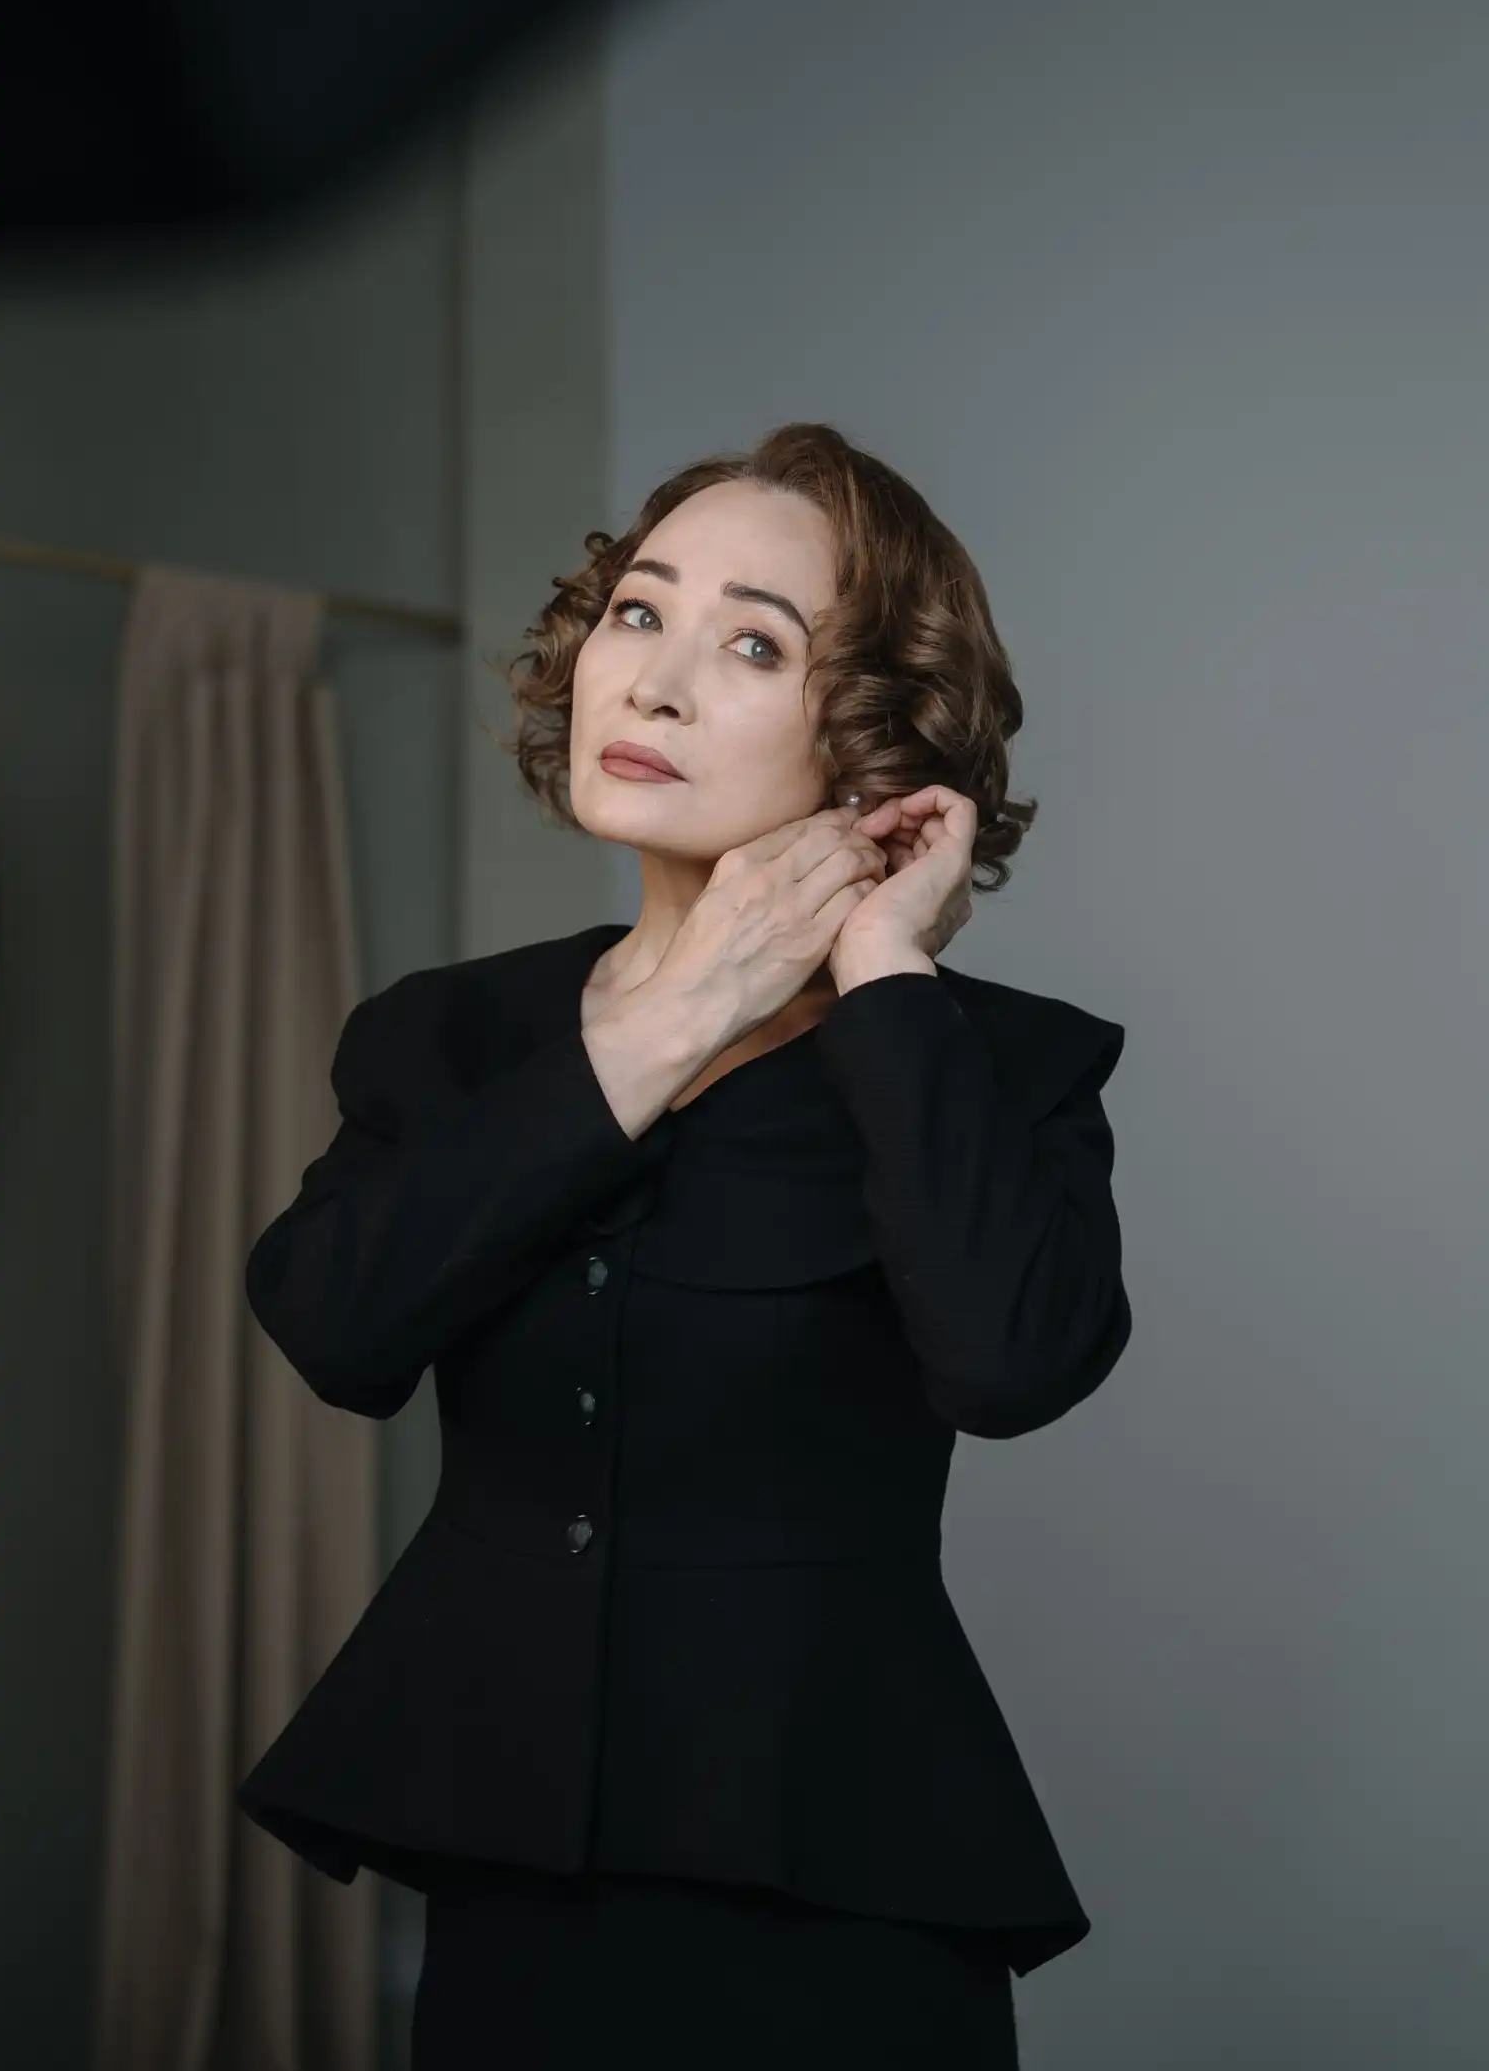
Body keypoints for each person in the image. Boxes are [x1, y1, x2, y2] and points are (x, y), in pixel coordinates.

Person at [237, 420, 1132, 2068]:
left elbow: (1011, 1362)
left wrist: (884, 965)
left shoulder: (990, 1063)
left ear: (872, 741)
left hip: (846, 1895)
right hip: (509, 1882)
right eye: (638, 612)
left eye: (754, 645)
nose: (650, 680)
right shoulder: (450, 1036)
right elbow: (332, 1324)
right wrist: (683, 1006)